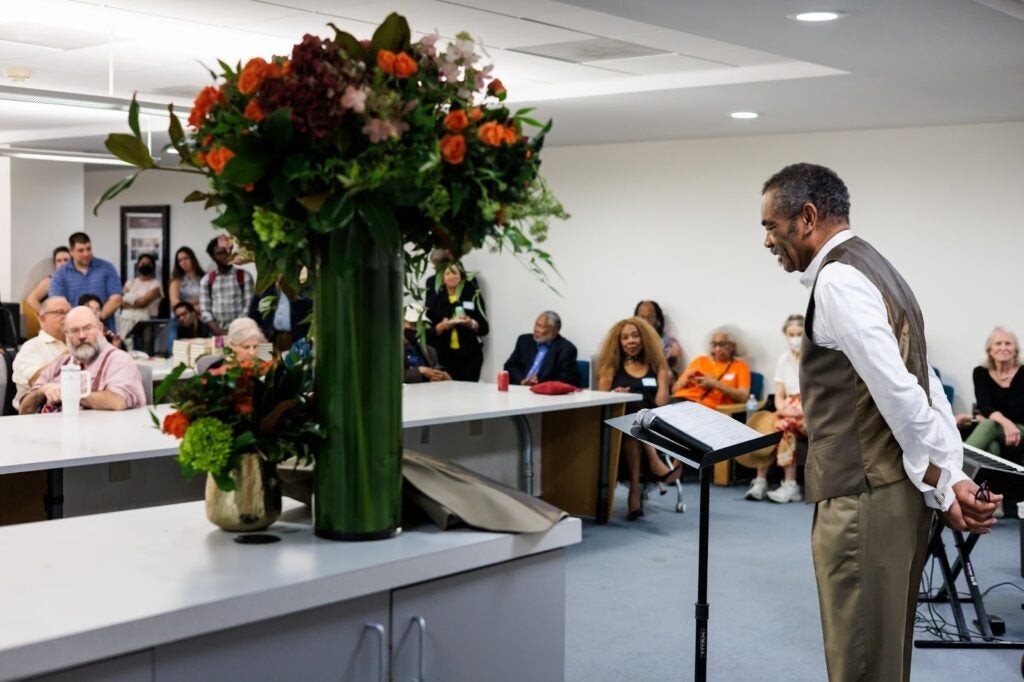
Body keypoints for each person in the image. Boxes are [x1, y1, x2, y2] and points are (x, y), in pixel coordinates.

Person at [760, 162, 995, 681]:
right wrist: (947, 478)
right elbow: (925, 382)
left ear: (807, 216)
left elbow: (900, 392)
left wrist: (941, 478)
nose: (767, 240)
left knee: (862, 659)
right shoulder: (878, 266)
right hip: (895, 493)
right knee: (886, 656)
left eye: (770, 226)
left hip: (861, 495)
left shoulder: (839, 280)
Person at [596, 317, 678, 521]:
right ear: (618, 342)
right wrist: (616, 394)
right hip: (618, 426)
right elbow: (600, 402)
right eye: (624, 338)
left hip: (653, 424)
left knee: (638, 415)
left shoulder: (657, 366)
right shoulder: (611, 367)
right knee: (632, 409)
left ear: (644, 339)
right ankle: (654, 464)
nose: (630, 341)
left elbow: (661, 403)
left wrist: (664, 377)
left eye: (634, 336)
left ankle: (635, 490)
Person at [18, 306, 146, 413]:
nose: (82, 336)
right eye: (74, 331)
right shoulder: (62, 362)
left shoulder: (118, 359)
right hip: (52, 435)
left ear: (100, 329)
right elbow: (24, 409)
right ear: (66, 335)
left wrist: (68, 393)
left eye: (87, 328)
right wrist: (42, 391)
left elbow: (118, 401)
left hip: (99, 437)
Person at [744, 314, 807, 503]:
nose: (795, 338)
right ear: (786, 335)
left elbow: (820, 395)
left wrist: (800, 410)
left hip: (810, 411)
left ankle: (791, 485)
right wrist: (782, 409)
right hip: (787, 409)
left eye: (799, 334)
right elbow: (779, 395)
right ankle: (761, 481)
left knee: (783, 427)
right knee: (766, 427)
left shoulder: (814, 359)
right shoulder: (783, 360)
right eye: (791, 334)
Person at [963, 327, 1023, 458]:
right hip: (997, 426)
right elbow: (984, 405)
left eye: (1008, 343)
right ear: (989, 350)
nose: (1003, 347)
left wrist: (989, 417)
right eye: (998, 343)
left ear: (1015, 350)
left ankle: (956, 467)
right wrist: (1006, 423)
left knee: (989, 424)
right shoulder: (980, 372)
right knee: (992, 447)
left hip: (1020, 428)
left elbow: (1018, 411)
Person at [424, 262, 488, 382]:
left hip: (470, 356)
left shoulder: (473, 296)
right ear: (442, 278)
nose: (451, 277)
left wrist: (471, 323)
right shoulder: (433, 301)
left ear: (462, 276)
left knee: (469, 394)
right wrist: (442, 326)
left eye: (455, 273)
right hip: (443, 357)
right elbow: (426, 334)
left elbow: (484, 328)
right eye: (447, 273)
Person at [48, 232, 123, 333]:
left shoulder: (107, 268)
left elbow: (116, 298)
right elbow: (58, 304)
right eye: (81, 250)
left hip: (105, 332)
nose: (86, 254)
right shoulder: (60, 275)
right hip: (74, 333)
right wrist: (81, 321)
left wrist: (97, 317)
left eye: (88, 249)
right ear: (71, 251)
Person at [11, 296, 70, 410]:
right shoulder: (31, 347)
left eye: (69, 312)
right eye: (60, 312)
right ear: (43, 318)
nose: (67, 317)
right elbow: (36, 380)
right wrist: (72, 352)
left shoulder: (75, 343)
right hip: (36, 415)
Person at [670, 329, 751, 408]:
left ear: (733, 346)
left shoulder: (740, 366)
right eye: (714, 344)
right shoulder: (700, 360)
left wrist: (716, 385)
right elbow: (674, 390)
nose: (717, 349)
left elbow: (743, 397)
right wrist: (686, 379)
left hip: (707, 408)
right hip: (681, 400)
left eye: (722, 344)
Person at [503, 311, 580, 386]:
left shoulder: (566, 349)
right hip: (520, 390)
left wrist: (539, 384)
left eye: (541, 326)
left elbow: (567, 379)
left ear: (555, 330)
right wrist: (522, 381)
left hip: (545, 396)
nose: (536, 330)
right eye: (536, 325)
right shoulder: (524, 341)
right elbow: (510, 366)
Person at [199, 236, 254, 336]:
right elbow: (205, 312)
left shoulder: (244, 276)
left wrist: (236, 330)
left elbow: (249, 307)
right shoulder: (207, 280)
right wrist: (219, 332)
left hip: (242, 331)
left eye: (226, 251)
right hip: (215, 332)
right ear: (213, 257)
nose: (225, 256)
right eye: (219, 254)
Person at [247, 283, 312, 354]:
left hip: (299, 338)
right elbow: (253, 312)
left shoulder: (304, 283)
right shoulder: (267, 284)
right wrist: (259, 333)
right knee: (265, 363)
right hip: (267, 338)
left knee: (299, 364)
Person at [118, 253, 163, 337]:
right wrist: (137, 302)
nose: (145, 266)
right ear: (138, 265)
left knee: (146, 347)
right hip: (129, 319)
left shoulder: (156, 284)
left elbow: (143, 303)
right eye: (142, 263)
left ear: (153, 266)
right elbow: (121, 303)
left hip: (149, 320)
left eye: (148, 264)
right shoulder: (130, 282)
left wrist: (130, 301)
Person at [634, 300, 684, 377]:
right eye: (642, 317)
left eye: (650, 317)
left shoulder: (670, 344)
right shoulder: (628, 341)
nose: (645, 321)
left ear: (658, 320)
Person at [403, 306, 451, 383]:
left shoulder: (430, 351)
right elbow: (390, 377)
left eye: (421, 325)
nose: (417, 329)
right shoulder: (390, 351)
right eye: (413, 324)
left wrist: (445, 377)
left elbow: (438, 375)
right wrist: (419, 371)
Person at [23, 246, 70, 316]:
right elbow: (31, 299)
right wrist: (46, 316)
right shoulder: (50, 281)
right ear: (55, 264)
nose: (62, 263)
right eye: (59, 261)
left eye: (66, 260)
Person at [169, 246, 205, 313]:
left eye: (186, 258)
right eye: (180, 260)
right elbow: (174, 302)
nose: (183, 262)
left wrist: (189, 303)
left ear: (192, 259)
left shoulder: (204, 278)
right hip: (183, 316)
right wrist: (193, 306)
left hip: (203, 314)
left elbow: (209, 299)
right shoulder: (176, 280)